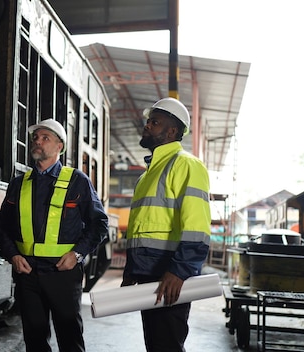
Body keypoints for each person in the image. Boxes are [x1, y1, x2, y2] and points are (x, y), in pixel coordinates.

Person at [0, 118, 109, 352]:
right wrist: (13, 256)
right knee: (35, 339)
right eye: (35, 138)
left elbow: (99, 224)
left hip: (63, 274)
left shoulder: (77, 181)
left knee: (70, 338)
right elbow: (3, 228)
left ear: (60, 146)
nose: (37, 142)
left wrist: (77, 254)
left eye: (45, 138)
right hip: (28, 275)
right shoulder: (18, 184)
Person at [122, 97, 211, 352]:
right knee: (156, 345)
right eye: (148, 121)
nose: (147, 126)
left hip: (170, 277)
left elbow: (197, 226)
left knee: (167, 346)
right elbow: (142, 228)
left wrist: (180, 271)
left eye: (155, 122)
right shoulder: (147, 175)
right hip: (148, 275)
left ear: (172, 131)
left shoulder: (186, 165)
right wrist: (131, 270)